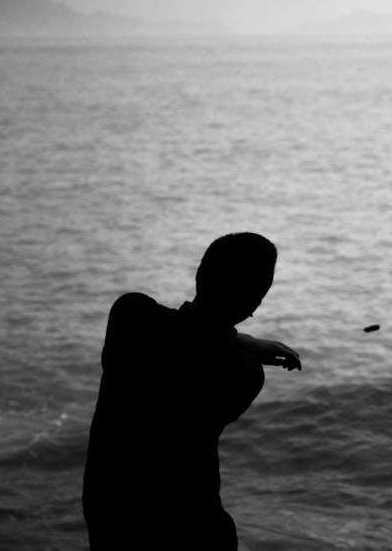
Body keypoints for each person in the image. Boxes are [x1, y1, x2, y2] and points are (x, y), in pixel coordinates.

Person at [83, 232, 301, 550]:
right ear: (256, 302)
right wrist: (241, 341)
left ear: (199, 275)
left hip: (111, 515)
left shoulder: (129, 317)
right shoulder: (243, 373)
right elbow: (199, 339)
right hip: (191, 526)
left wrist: (241, 338)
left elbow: (177, 327)